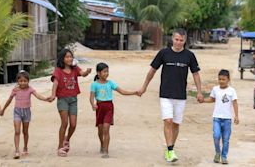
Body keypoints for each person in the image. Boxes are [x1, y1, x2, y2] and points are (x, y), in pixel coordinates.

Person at [139, 28, 203, 163]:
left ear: (185, 41)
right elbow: (152, 71)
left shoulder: (189, 56)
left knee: (176, 124)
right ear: (172, 39)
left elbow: (195, 74)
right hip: (165, 94)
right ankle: (170, 150)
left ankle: (171, 148)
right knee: (168, 120)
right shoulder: (164, 53)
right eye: (176, 39)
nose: (178, 43)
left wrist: (199, 92)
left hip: (180, 95)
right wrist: (144, 87)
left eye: (181, 40)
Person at [89, 62, 139, 158]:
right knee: (100, 130)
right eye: (104, 72)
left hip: (109, 107)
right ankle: (102, 144)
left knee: (106, 128)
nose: (106, 74)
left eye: (107, 71)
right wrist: (92, 104)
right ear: (98, 73)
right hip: (99, 108)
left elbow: (122, 91)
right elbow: (91, 97)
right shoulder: (94, 84)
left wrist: (134, 92)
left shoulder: (110, 83)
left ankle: (106, 151)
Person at [48, 49, 91, 157]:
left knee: (73, 124)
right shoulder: (58, 70)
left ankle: (66, 139)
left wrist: (87, 72)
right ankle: (59, 147)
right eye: (67, 57)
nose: (69, 59)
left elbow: (83, 74)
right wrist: (53, 95)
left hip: (73, 100)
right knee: (64, 123)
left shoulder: (75, 68)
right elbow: (55, 84)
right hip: (62, 99)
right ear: (62, 59)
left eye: (71, 56)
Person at [0, 70, 51, 159]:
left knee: (25, 131)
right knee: (17, 131)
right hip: (17, 112)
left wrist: (46, 99)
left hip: (27, 112)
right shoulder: (15, 90)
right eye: (20, 81)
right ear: (18, 81)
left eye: (25, 81)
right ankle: (16, 150)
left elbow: (38, 95)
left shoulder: (30, 89)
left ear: (28, 81)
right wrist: (3, 109)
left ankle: (25, 147)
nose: (23, 83)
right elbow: (9, 100)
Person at [201, 69, 239, 164]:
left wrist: (236, 116)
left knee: (226, 140)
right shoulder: (215, 89)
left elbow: (235, 103)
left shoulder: (232, 91)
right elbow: (212, 99)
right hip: (216, 118)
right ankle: (217, 152)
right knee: (216, 136)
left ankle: (224, 156)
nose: (221, 81)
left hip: (227, 119)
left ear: (228, 79)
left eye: (223, 79)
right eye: (219, 79)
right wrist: (203, 100)